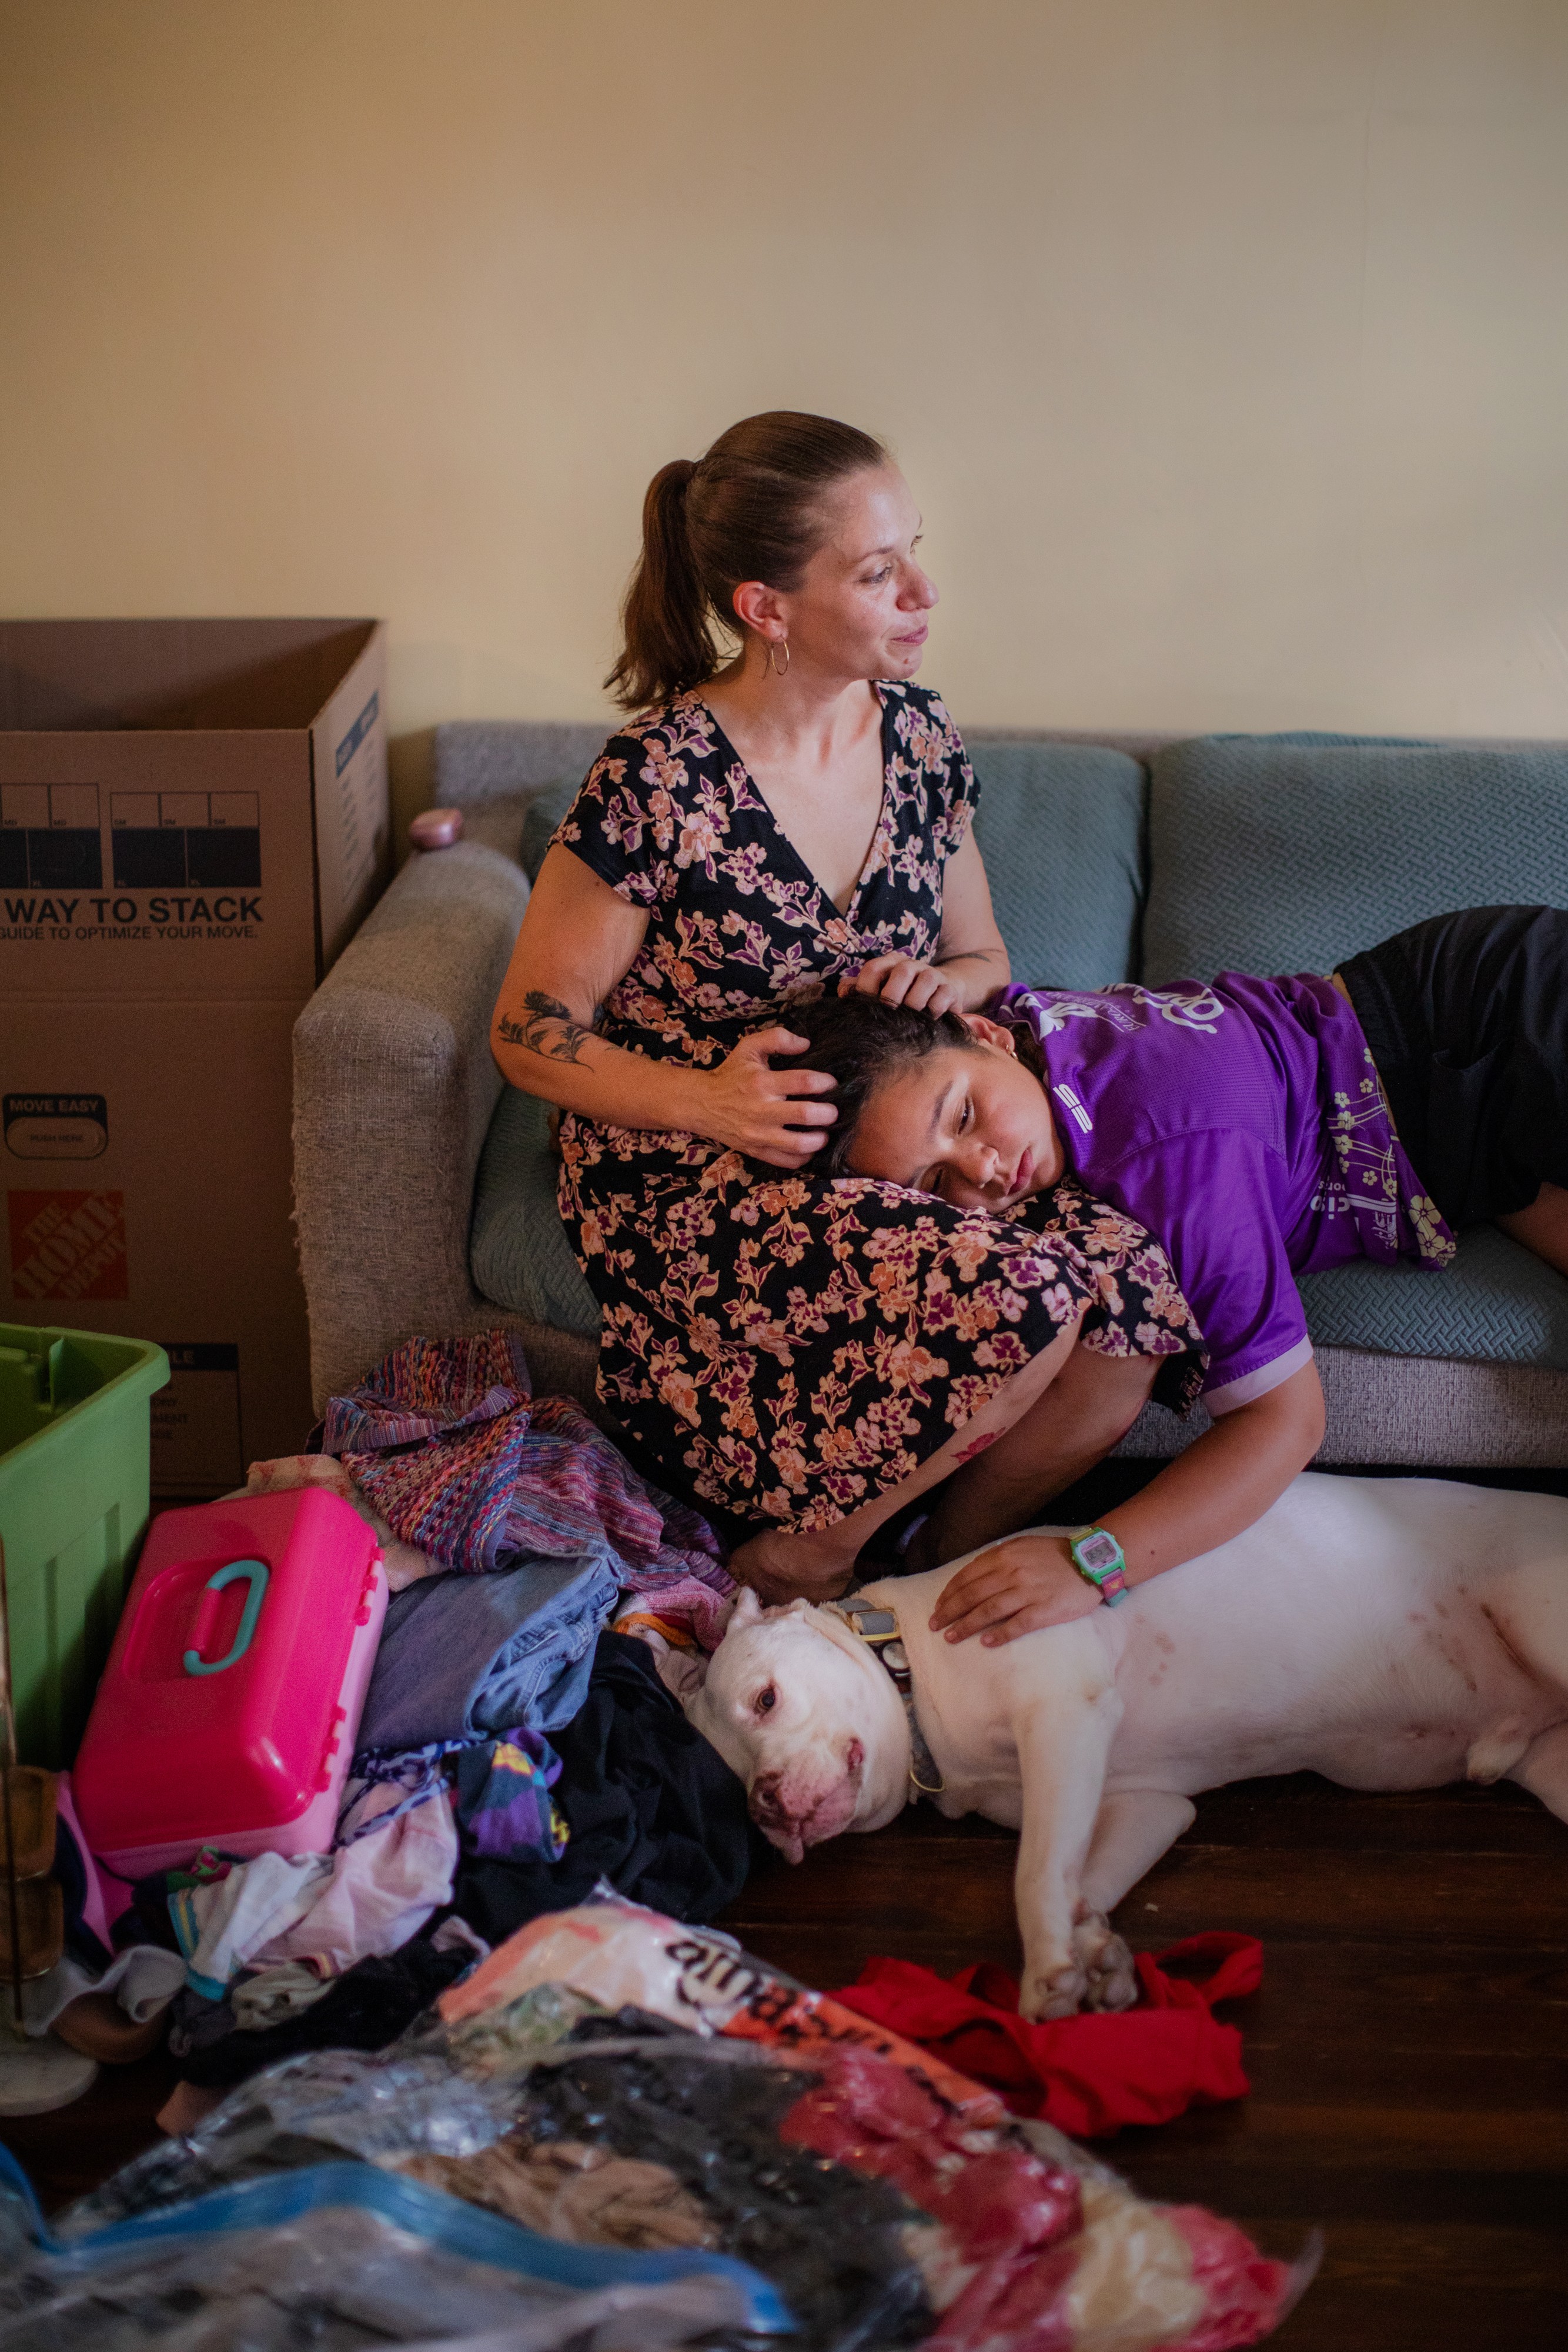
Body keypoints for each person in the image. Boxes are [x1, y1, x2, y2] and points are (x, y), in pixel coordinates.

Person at [490, 410, 1203, 1605]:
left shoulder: (920, 741)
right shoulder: (658, 777)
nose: (923, 591)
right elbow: (529, 1026)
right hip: (692, 1161)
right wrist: (706, 1100)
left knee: (1130, 1300)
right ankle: (815, 1551)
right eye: (878, 572)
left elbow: (982, 953)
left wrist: (947, 983)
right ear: (766, 606)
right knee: (1026, 1295)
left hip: (884, 1131)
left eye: (912, 551)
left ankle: (918, 1583)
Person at [773, 904, 1568, 1641]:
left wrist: (1093, 1562)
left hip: (1492, 1019)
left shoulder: (1175, 1166)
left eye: (964, 1116)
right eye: (937, 1186)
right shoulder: (1029, 1031)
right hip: (1467, 1106)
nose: (983, 1171)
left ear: (983, 1035)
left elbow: (1285, 1425)